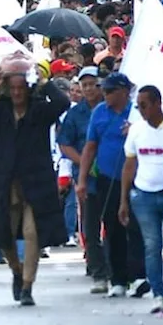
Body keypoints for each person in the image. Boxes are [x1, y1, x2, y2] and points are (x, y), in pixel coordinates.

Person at [0, 58, 70, 306]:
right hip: (5, 181)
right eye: (12, 89)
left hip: (35, 180)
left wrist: (43, 82)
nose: (16, 93)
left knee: (31, 233)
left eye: (21, 88)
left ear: (28, 88)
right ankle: (15, 269)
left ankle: (27, 285)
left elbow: (62, 102)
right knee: (4, 234)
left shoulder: (39, 110)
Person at [119, 85, 163, 314]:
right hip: (144, 196)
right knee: (152, 245)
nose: (141, 111)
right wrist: (123, 200)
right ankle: (159, 294)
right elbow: (129, 166)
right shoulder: (136, 131)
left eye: (145, 106)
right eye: (138, 106)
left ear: (158, 103)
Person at [77, 72, 146, 298]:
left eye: (109, 91)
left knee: (135, 227)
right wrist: (82, 180)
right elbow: (90, 147)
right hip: (108, 178)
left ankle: (138, 275)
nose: (104, 95)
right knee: (113, 226)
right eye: (103, 90)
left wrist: (136, 130)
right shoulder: (99, 113)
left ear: (124, 91)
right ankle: (117, 278)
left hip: (138, 178)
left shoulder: (137, 112)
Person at [58, 67, 105, 288]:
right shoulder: (75, 114)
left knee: (114, 223)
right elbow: (64, 143)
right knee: (90, 223)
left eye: (91, 84)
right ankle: (96, 267)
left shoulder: (110, 108)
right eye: (83, 85)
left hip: (112, 174)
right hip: (86, 177)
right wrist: (83, 162)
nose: (87, 89)